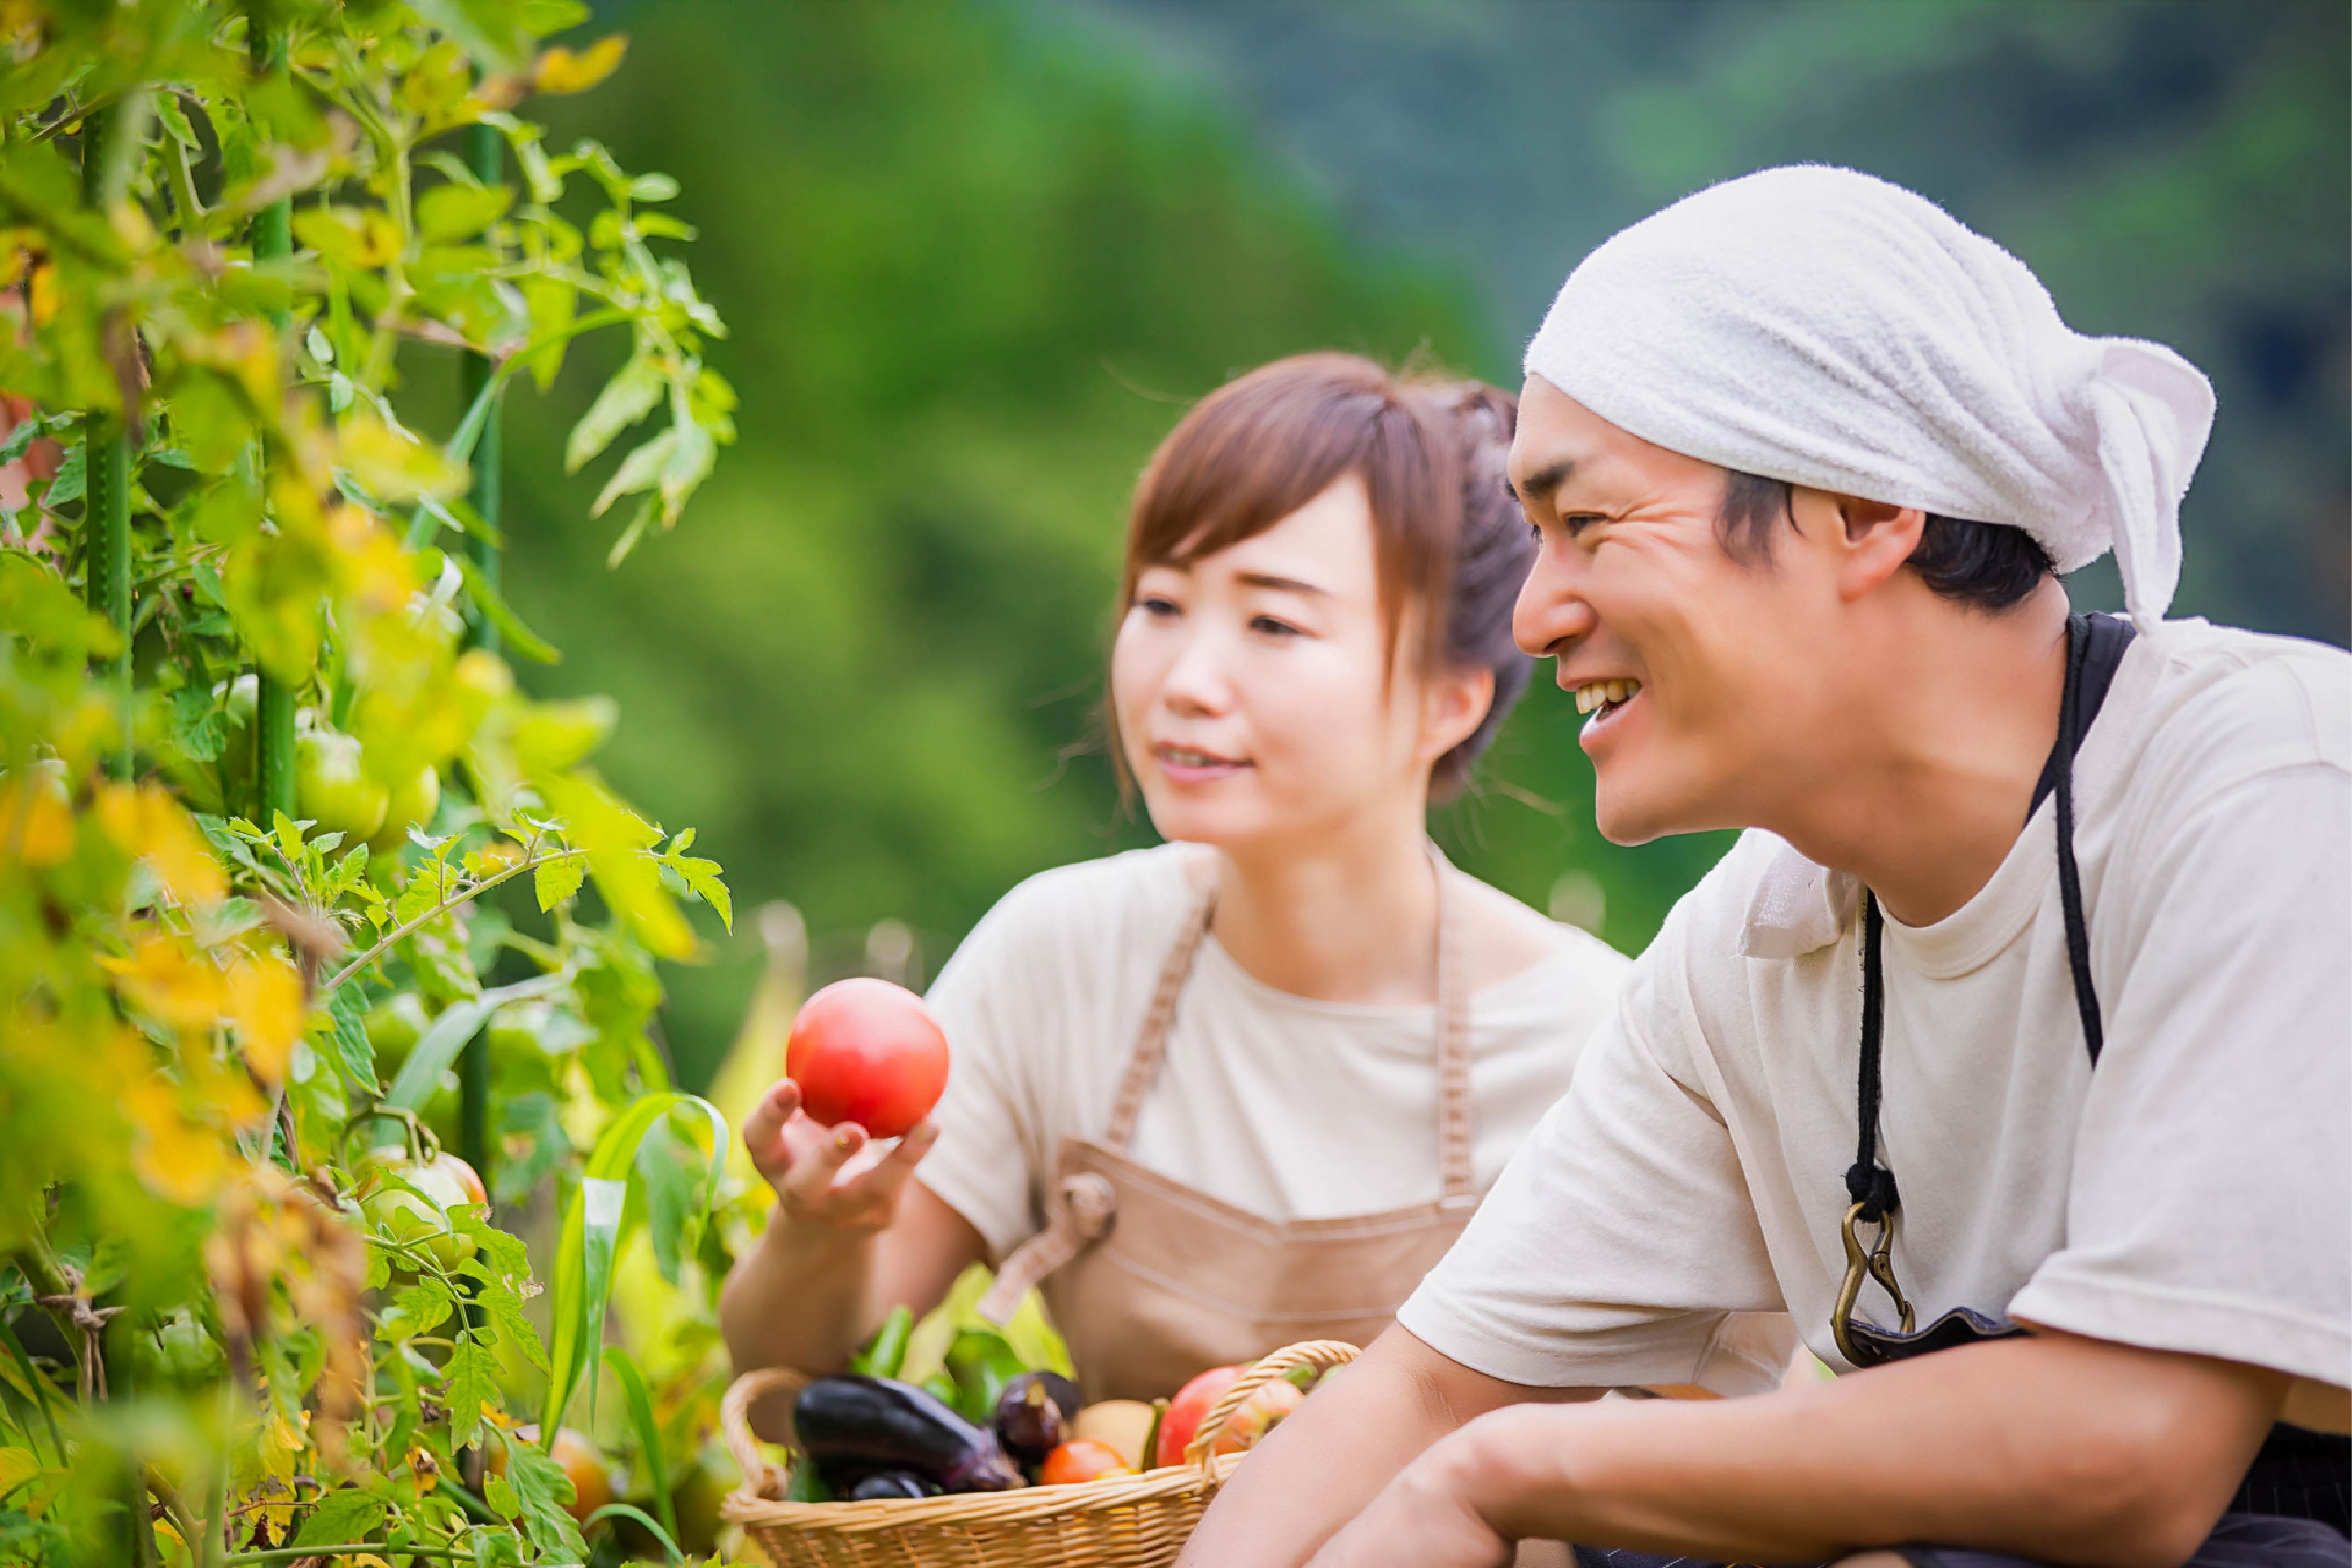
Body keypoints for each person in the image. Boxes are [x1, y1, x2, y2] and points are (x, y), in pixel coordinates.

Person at [1180, 168, 2350, 1567]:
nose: (1532, 616)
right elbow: (1424, 1394)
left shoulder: (2269, 786)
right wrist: (1462, 1473)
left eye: (1587, 525)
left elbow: (2133, 1451)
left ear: (1860, 509)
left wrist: (1501, 1475)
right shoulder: (1752, 940)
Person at [719, 354, 1783, 1422]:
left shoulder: (1604, 1043)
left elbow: (1691, 1456)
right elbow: (785, 1396)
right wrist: (821, 1228)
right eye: (1160, 602)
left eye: (1273, 624)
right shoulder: (1061, 954)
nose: (1184, 681)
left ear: (1447, 699)